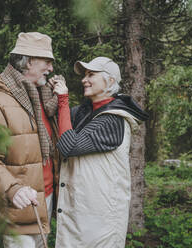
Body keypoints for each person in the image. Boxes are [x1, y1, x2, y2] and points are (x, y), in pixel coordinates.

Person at [0, 32, 60, 248]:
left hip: (45, 199)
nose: (51, 69)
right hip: (17, 206)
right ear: (29, 61)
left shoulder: (42, 99)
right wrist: (14, 189)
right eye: (47, 61)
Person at [50, 57, 149, 248]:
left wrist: (63, 99)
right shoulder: (87, 112)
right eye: (84, 75)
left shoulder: (113, 120)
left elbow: (68, 146)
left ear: (110, 81)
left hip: (100, 220)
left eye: (91, 75)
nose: (84, 80)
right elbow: (59, 119)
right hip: (84, 214)